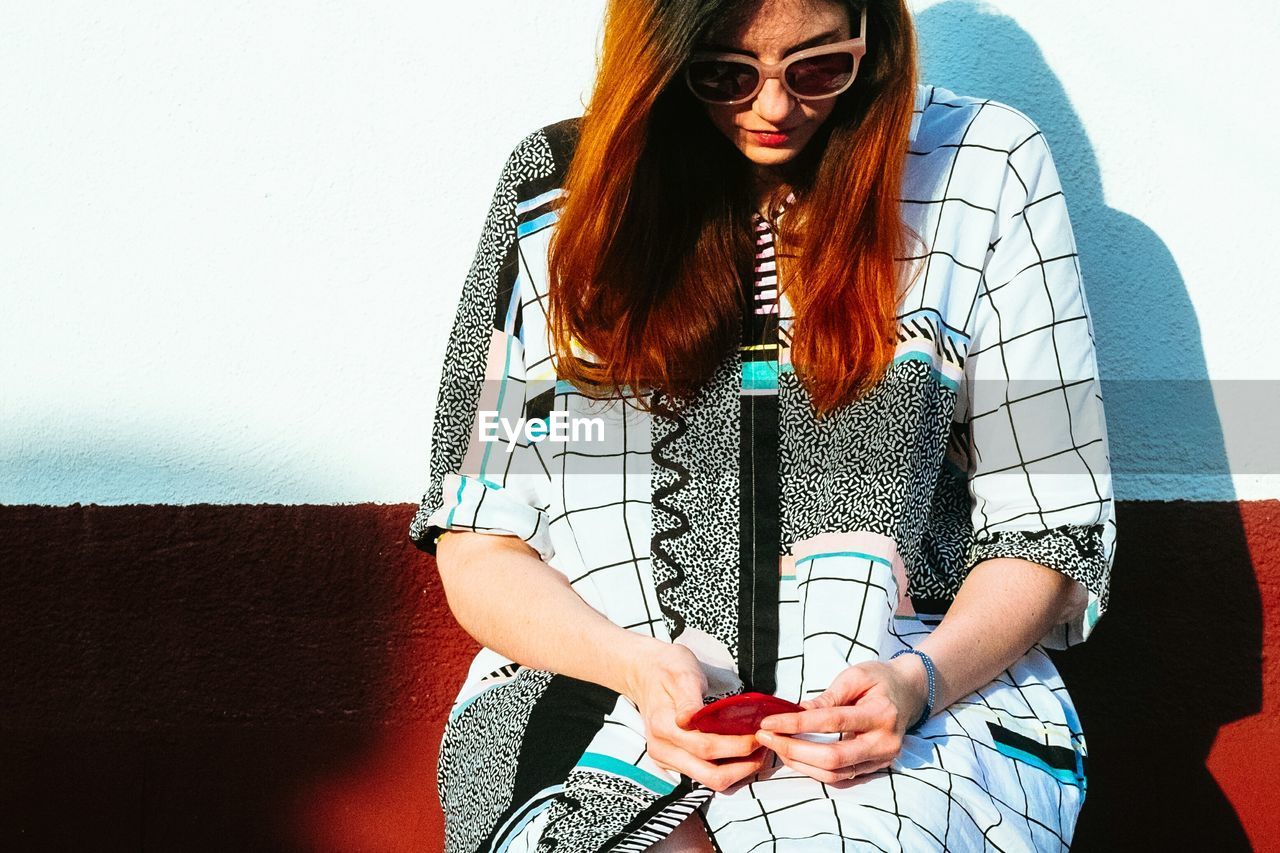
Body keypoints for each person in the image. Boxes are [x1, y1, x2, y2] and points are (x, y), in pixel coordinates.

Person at [409, 0, 1115, 849]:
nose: (775, 107)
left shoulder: (982, 167)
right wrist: (634, 666)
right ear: (661, 53)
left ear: (872, 35)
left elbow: (1049, 528)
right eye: (724, 74)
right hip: (595, 686)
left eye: (820, 67)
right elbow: (481, 540)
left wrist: (914, 682)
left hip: (909, 699)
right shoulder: (559, 190)